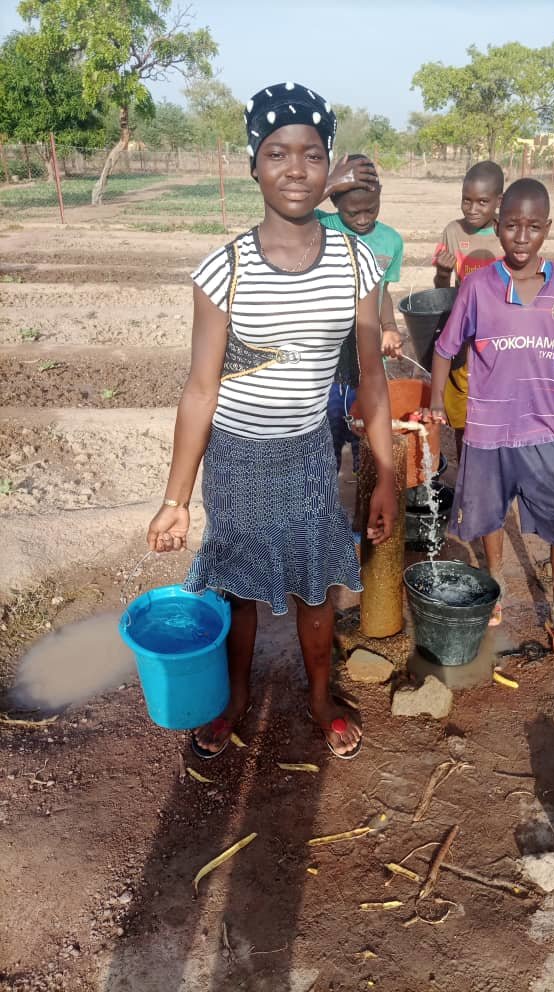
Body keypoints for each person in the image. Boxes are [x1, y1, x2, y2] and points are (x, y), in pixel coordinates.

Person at [147, 82, 396, 760]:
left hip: (311, 454)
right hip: (236, 458)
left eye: (311, 155)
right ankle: (235, 699)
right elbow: (200, 389)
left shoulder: (355, 263)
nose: (295, 169)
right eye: (277, 153)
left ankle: (319, 699)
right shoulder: (223, 270)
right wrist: (175, 499)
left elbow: (371, 376)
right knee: (238, 589)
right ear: (254, 164)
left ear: (328, 166)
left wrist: (385, 476)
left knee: (316, 586)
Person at [424, 178, 554, 660]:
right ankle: (494, 583)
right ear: (497, 226)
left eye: (533, 227)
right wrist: (436, 402)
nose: (521, 236)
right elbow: (444, 348)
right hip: (488, 431)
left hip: (542, 428)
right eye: (512, 225)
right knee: (491, 515)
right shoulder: (478, 286)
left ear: (547, 230)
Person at [316, 154, 404, 473]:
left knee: (365, 438)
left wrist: (390, 326)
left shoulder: (391, 241)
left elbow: (381, 291)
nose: (365, 219)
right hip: (325, 358)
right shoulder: (320, 225)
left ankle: (363, 510)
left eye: (372, 209)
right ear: (335, 201)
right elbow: (288, 211)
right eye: (354, 212)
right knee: (326, 439)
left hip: (366, 358)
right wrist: (331, 182)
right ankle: (325, 511)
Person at [432, 161, 505, 461]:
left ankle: (495, 461)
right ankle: (466, 465)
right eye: (466, 200)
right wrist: (441, 272)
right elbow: (441, 290)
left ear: (498, 202)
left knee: (495, 400)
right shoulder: (453, 230)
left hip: (500, 331)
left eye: (483, 202)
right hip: (466, 331)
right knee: (463, 405)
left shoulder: (506, 231)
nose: (472, 208)